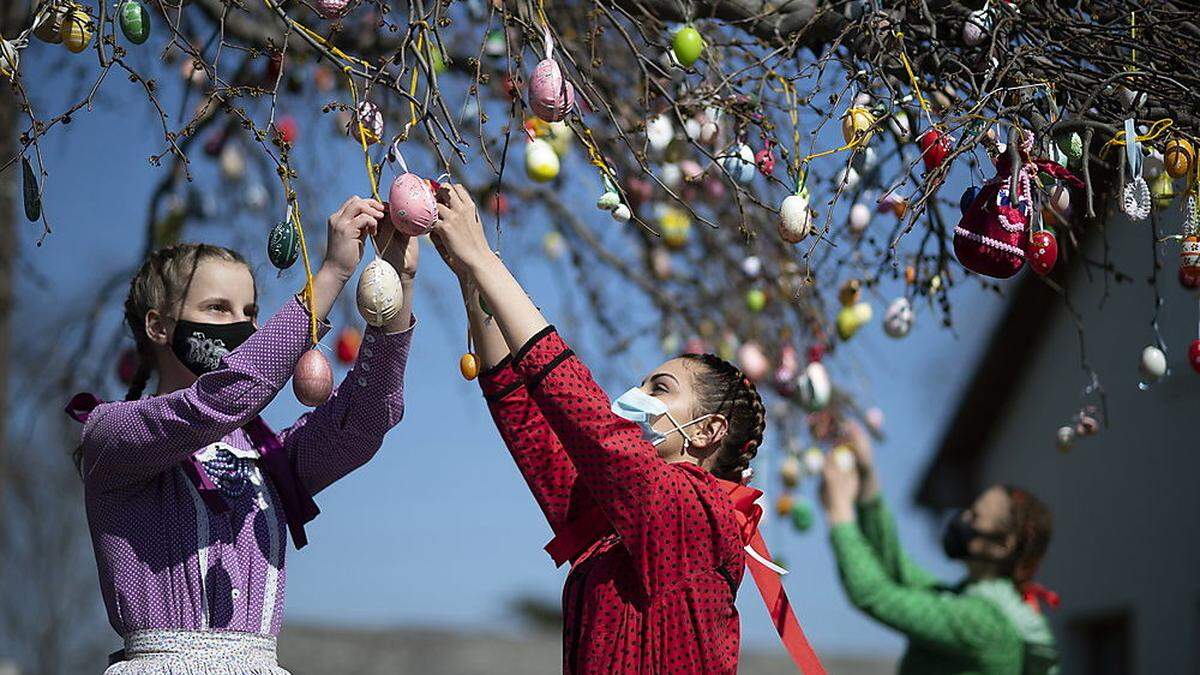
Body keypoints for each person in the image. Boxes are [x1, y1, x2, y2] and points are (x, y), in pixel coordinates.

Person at [429, 185, 823, 674]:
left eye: (660, 388)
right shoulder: (613, 526)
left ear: (707, 432)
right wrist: (472, 280)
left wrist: (486, 260)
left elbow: (589, 421)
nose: (637, 399)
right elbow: (528, 423)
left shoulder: (697, 515)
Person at [65, 196, 417, 674]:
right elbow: (225, 398)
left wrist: (398, 282)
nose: (242, 326)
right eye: (217, 308)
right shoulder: (113, 434)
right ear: (159, 326)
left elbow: (365, 419)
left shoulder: (267, 457)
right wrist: (331, 273)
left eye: (249, 311)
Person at [819, 422, 1060, 675]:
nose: (963, 518)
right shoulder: (970, 599)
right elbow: (897, 567)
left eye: (975, 517)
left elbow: (874, 594)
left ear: (1002, 546)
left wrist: (839, 512)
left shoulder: (985, 622)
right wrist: (868, 479)